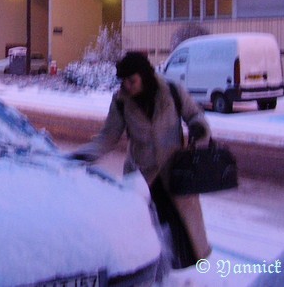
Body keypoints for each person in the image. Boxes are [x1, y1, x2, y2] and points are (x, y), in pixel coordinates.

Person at [69, 51, 212, 270]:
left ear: (144, 75)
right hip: (143, 178)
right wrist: (84, 155)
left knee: (181, 236)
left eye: (132, 80)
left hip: (175, 174)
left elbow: (195, 114)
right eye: (124, 81)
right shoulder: (121, 102)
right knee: (146, 235)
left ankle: (174, 277)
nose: (127, 86)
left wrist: (199, 128)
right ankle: (151, 274)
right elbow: (108, 137)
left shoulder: (172, 91)